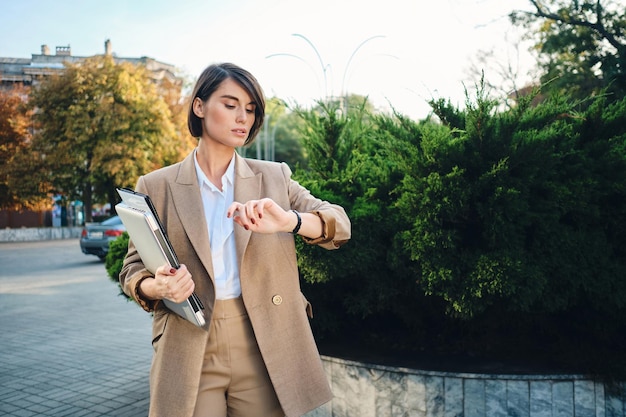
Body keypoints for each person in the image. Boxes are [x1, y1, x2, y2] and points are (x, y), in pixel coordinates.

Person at [119, 62, 351, 417]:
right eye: (230, 105)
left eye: (250, 108)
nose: (242, 117)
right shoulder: (156, 185)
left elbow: (339, 223)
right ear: (199, 106)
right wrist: (158, 288)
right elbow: (133, 268)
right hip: (189, 340)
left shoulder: (274, 177)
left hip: (263, 339)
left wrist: (290, 221)